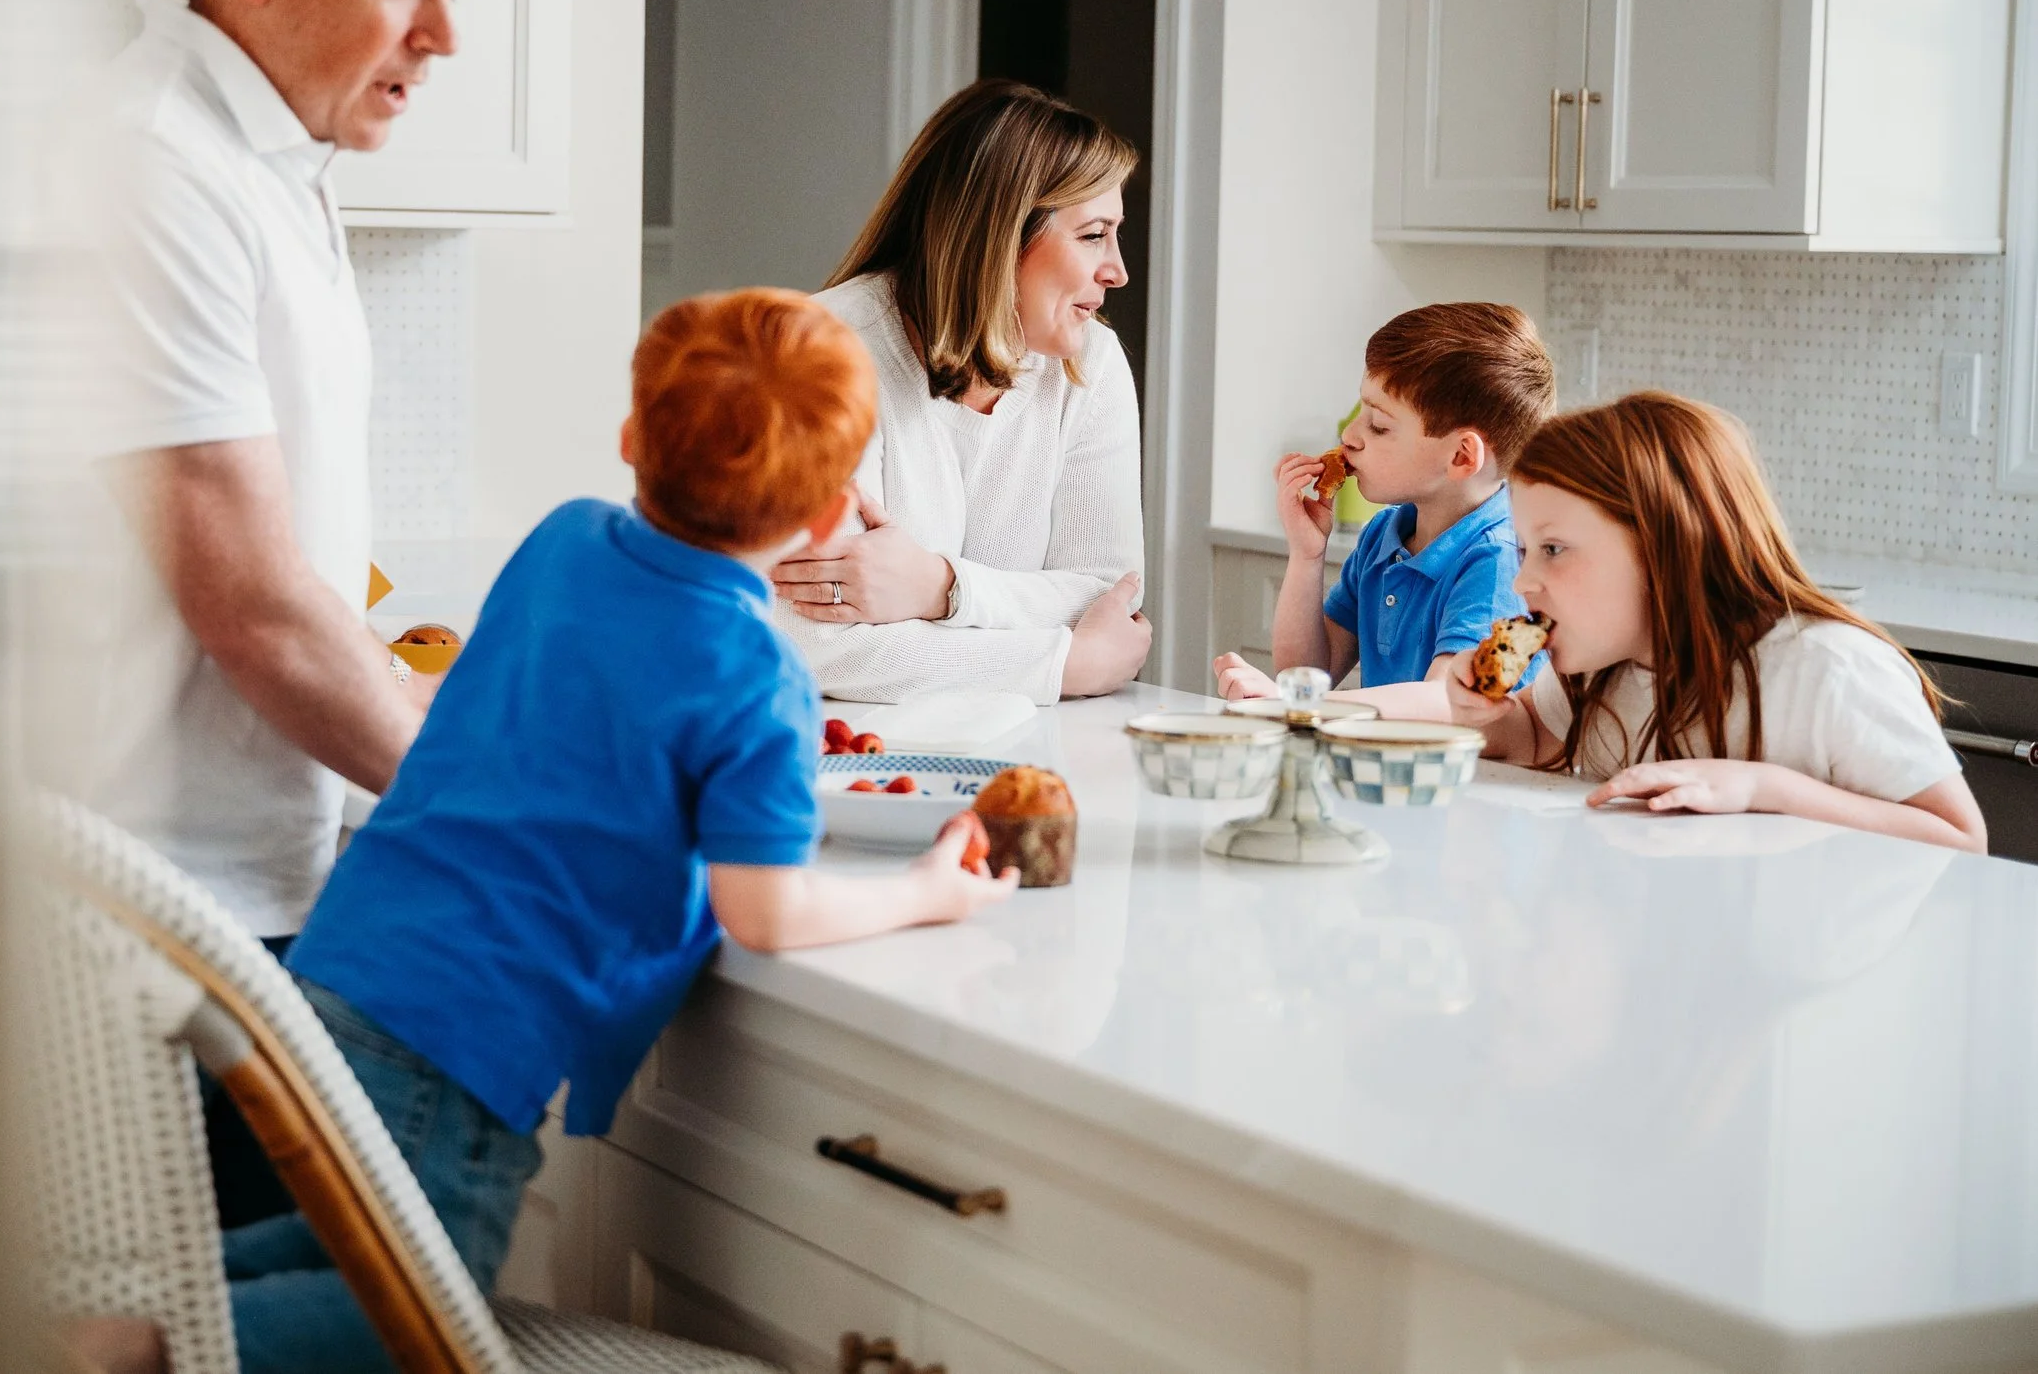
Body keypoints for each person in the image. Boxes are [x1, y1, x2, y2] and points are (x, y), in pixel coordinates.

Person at [226, 289, 1016, 1371]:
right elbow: (765, 906)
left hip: (337, 965)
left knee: (319, 1246)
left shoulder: (563, 540)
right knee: (410, 1320)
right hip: (458, 1044)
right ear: (831, 515)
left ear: (632, 438)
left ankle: (159, 1314)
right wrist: (927, 891)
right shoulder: (754, 676)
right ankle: (127, 1346)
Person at [65, 0, 480, 939]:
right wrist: (509, 807)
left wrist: (453, 704)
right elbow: (251, 605)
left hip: (243, 881)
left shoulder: (272, 161)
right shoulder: (150, 164)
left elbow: (295, 569)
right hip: (155, 905)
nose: (443, 34)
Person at [1383, 392, 1986, 851]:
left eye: (1554, 549)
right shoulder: (1607, 666)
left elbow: (1960, 839)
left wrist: (1763, 789)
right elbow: (1536, 739)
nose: (1522, 582)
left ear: (1662, 546)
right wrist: (1479, 716)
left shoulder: (1826, 669)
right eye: (1521, 551)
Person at [772, 79, 1153, 703]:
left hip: (1033, 740)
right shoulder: (821, 353)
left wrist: (940, 587)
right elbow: (809, 643)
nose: (1117, 270)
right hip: (842, 756)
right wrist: (1063, 667)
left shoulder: (1093, 363)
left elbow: (1108, 595)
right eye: (1092, 235)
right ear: (1001, 236)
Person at [1214, 302, 1554, 699]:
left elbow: (1445, 705)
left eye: (1379, 426)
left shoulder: (1502, 562)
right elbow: (1304, 673)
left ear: (1461, 456)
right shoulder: (1384, 536)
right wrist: (1306, 554)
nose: (1351, 437)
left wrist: (1303, 704)